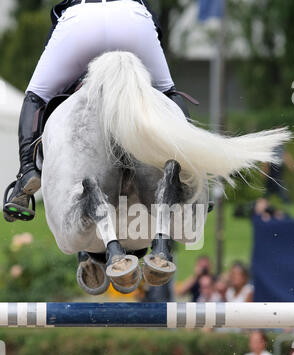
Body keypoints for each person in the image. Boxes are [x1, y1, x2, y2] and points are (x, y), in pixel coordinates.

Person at [3, 0, 189, 222]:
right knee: (168, 92)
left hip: (80, 19)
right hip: (132, 17)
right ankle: (187, 176)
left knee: (36, 96)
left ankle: (26, 175)